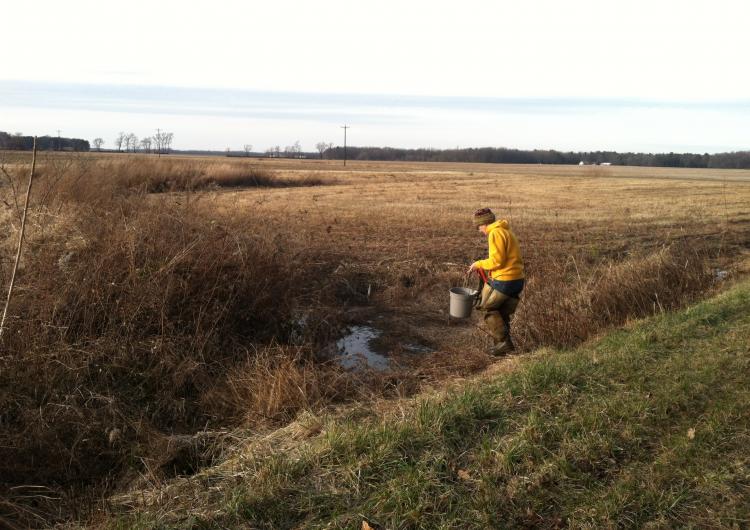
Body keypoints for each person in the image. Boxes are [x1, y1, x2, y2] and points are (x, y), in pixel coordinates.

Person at [467, 207, 525, 355]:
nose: (479, 230)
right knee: (501, 314)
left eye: (479, 227)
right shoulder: (506, 231)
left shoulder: (495, 233)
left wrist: (478, 264)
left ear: (484, 224)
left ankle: (504, 345)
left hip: (505, 280)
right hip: (517, 279)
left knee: (487, 308)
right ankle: (503, 350)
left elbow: (497, 261)